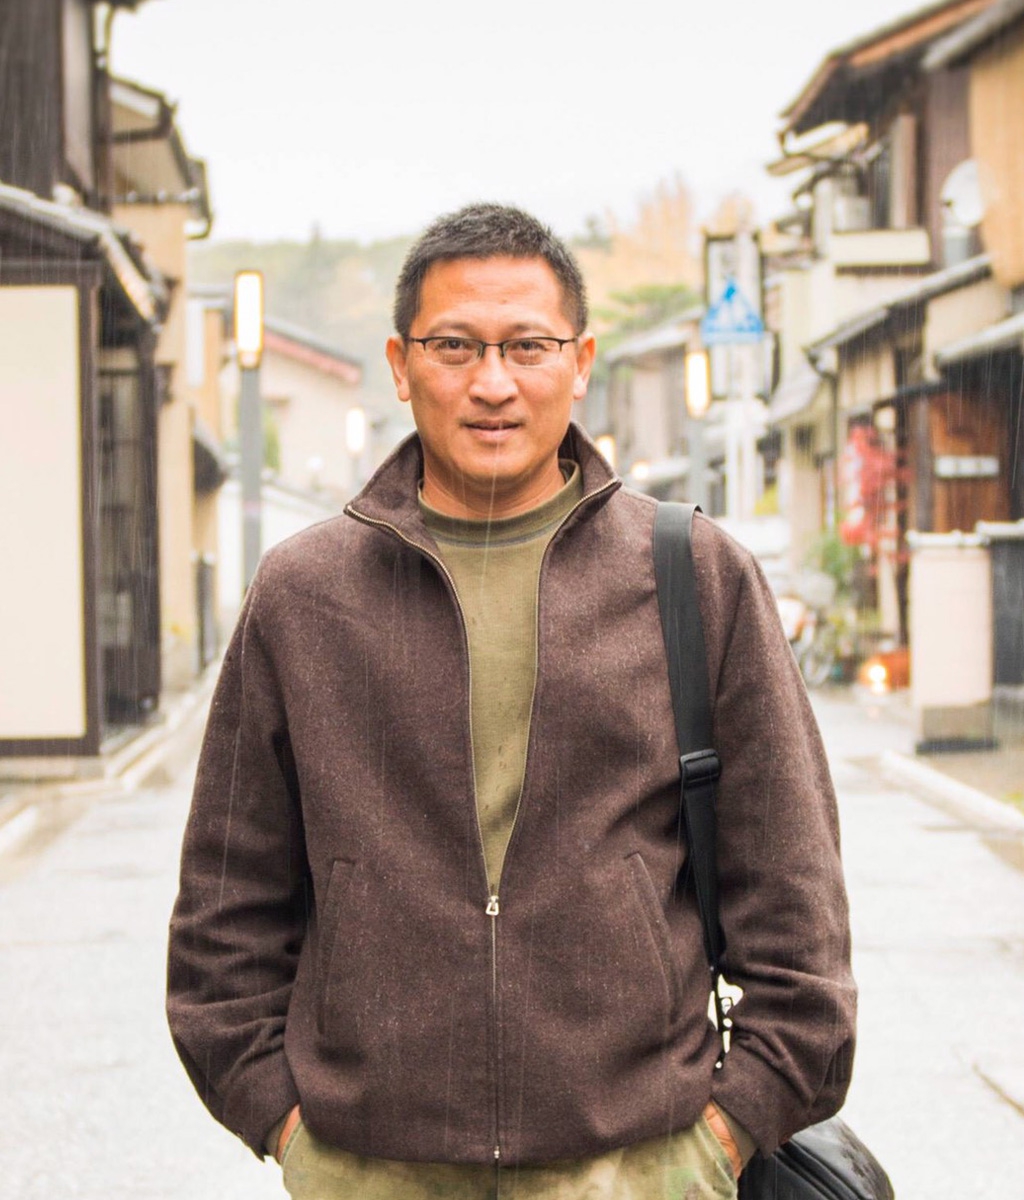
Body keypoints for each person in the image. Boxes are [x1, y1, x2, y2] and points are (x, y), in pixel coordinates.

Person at [167, 203, 856, 1199]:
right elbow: (225, 911)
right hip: (371, 1167)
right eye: (454, 346)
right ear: (400, 365)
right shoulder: (305, 594)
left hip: (640, 1163)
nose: (492, 382)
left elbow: (796, 904)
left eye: (527, 345)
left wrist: (725, 1135)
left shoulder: (693, 575)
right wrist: (289, 1129)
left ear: (580, 364)